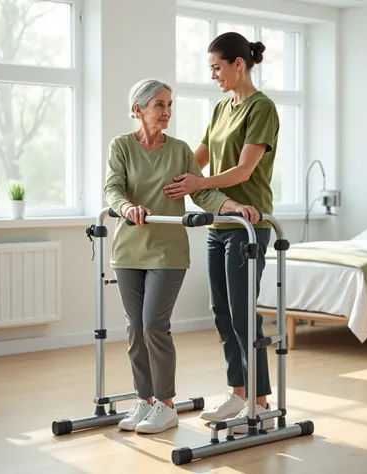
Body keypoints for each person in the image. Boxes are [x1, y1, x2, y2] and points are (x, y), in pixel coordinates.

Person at [104, 78, 258, 435]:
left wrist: (231, 205)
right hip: (128, 249)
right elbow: (113, 187)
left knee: (154, 326)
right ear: (138, 109)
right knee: (135, 329)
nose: (167, 111)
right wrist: (126, 207)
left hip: (168, 252)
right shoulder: (122, 146)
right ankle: (145, 399)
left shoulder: (179, 150)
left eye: (169, 104)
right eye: (159, 105)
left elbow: (201, 193)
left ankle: (166, 405)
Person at [163, 32, 280, 433]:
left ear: (238, 64)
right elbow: (198, 157)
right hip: (220, 224)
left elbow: (244, 171)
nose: (213, 75)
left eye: (217, 67)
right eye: (211, 69)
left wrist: (199, 185)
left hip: (250, 225)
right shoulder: (220, 108)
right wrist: (166, 175)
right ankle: (239, 392)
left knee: (244, 314)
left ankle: (261, 402)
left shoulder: (261, 108)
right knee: (222, 313)